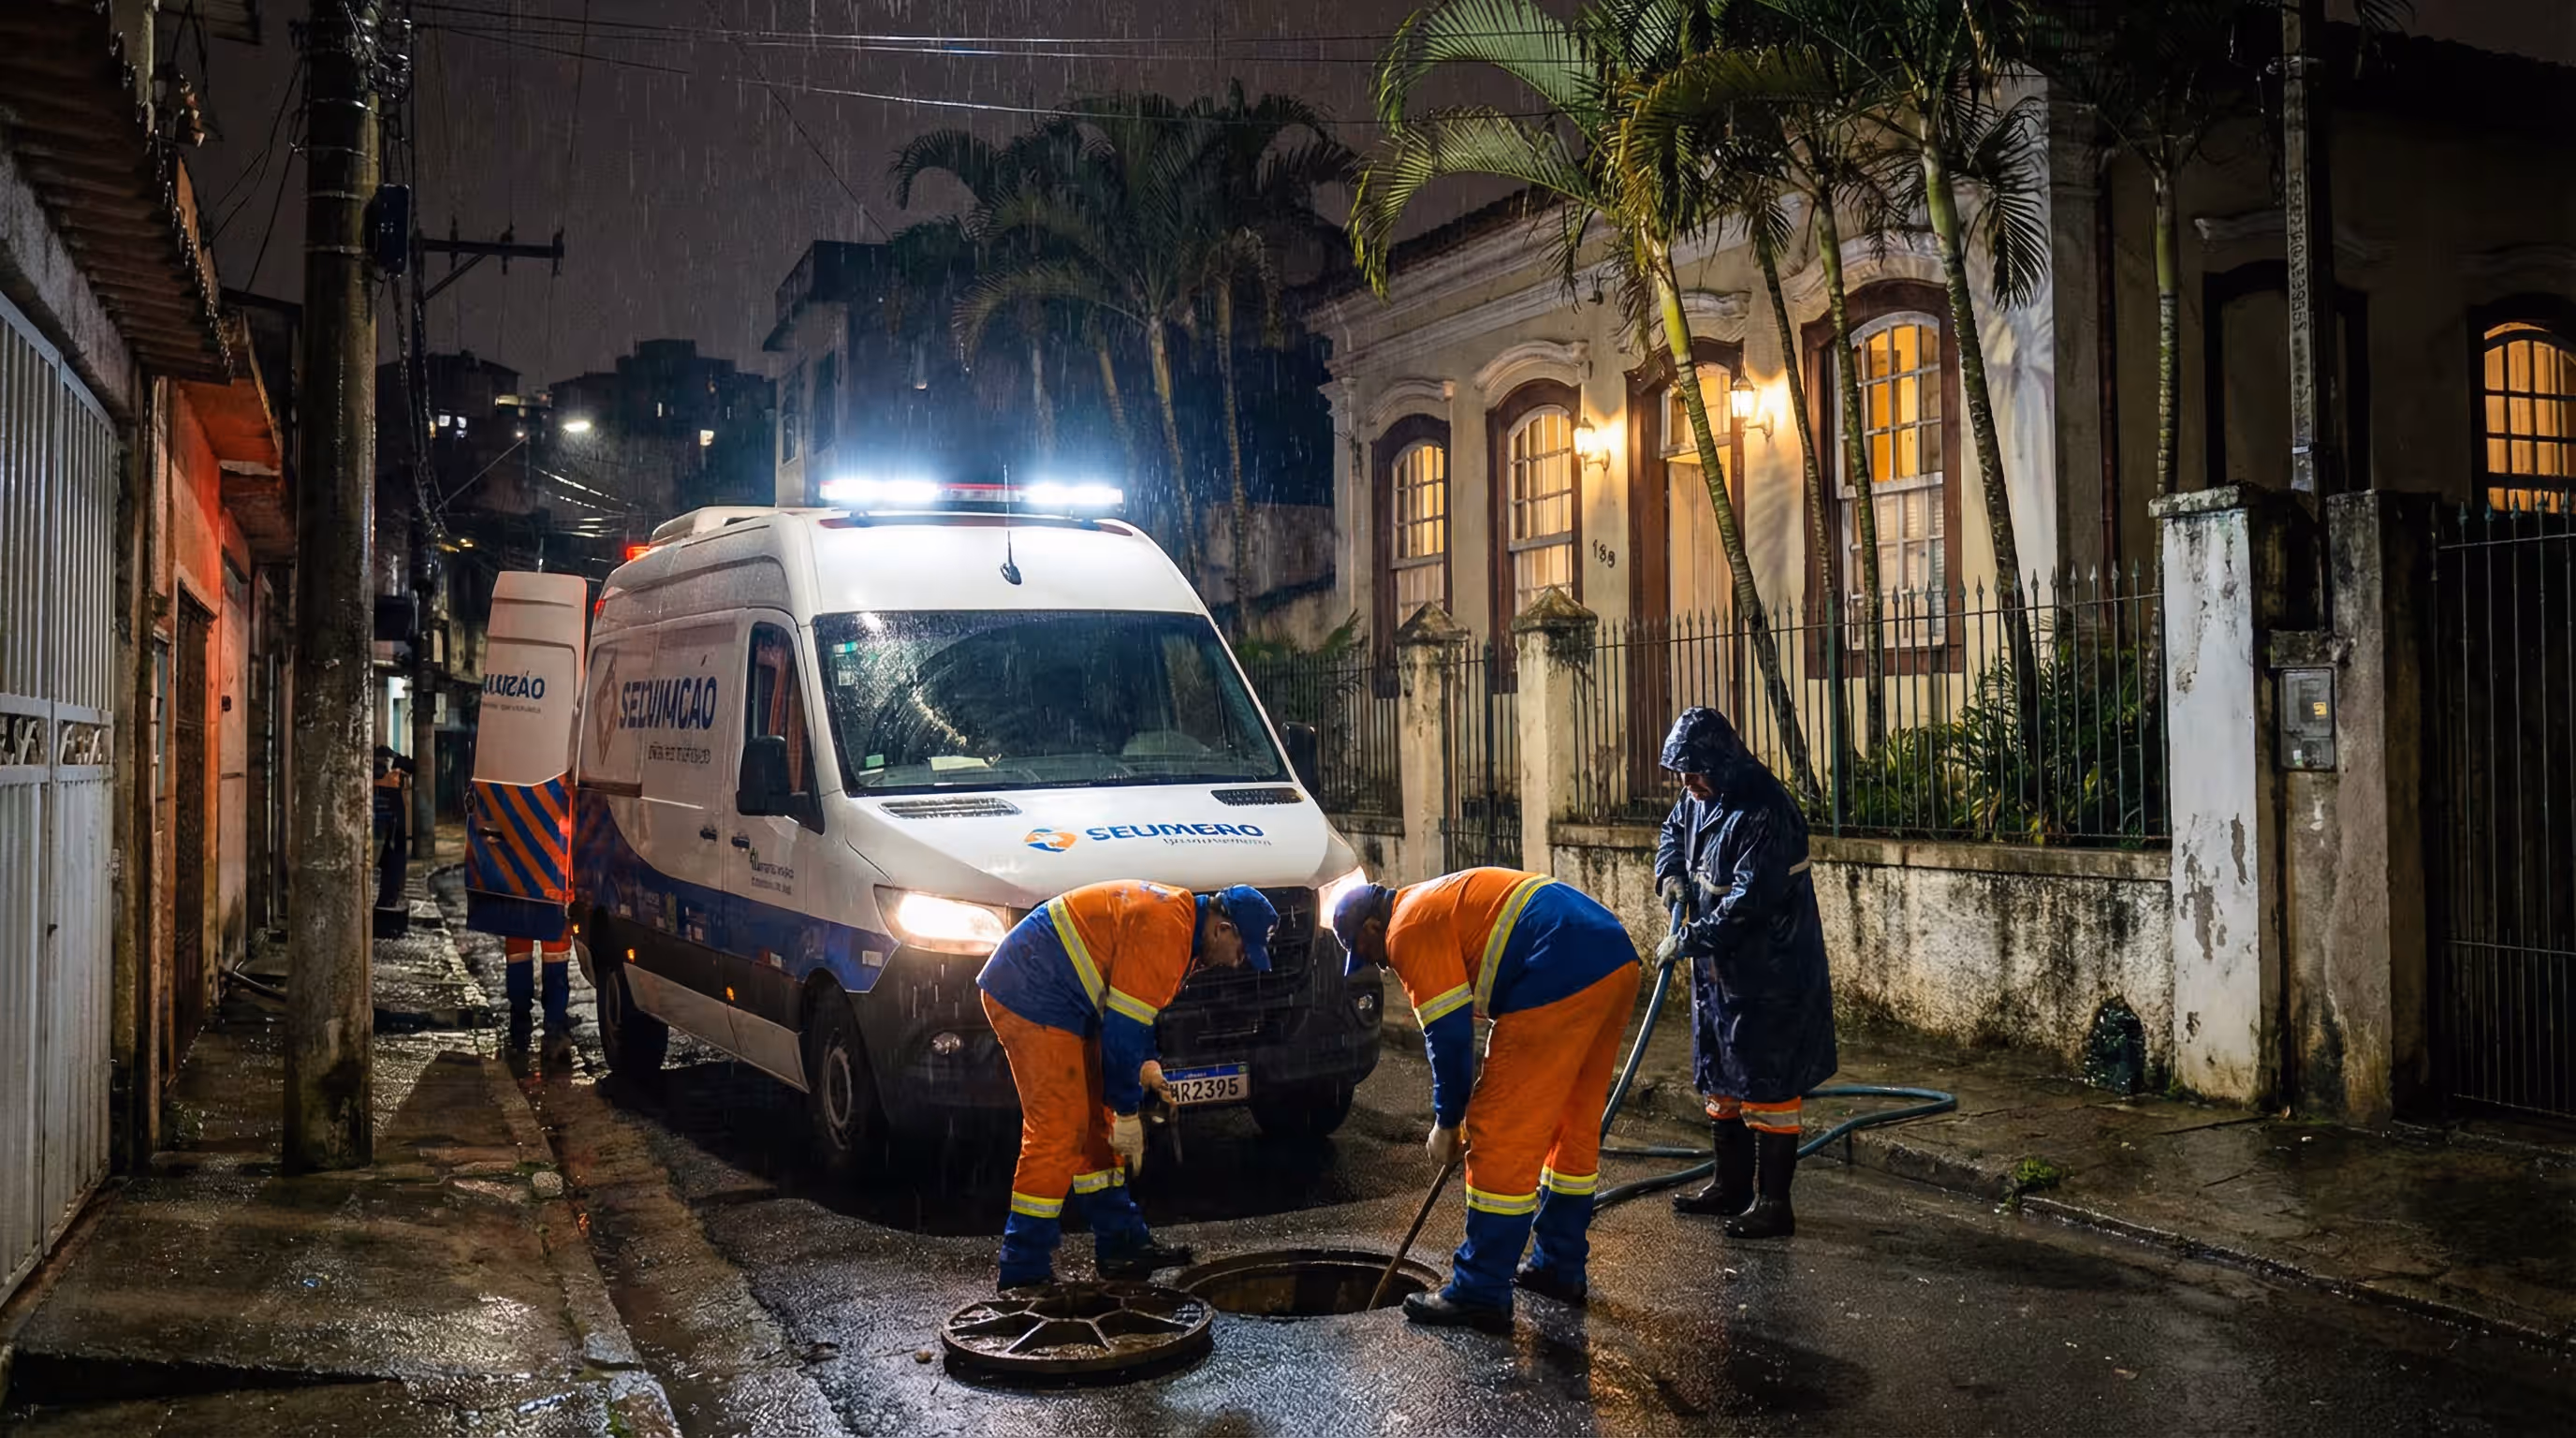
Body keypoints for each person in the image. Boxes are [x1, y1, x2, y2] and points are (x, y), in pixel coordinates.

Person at [1332, 868, 1642, 1333]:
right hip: (1613, 958)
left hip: (1558, 966)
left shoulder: (1407, 929)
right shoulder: (1431, 899)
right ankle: (1559, 1267)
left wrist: (1449, 1120)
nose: (1379, 965)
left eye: (1369, 953)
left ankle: (1480, 1290)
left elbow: (1450, 1036)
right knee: (1569, 1126)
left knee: (1498, 1129)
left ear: (1374, 928)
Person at [975, 880, 1279, 1289]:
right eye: (1242, 952)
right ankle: (1022, 1267)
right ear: (1222, 929)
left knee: (1095, 1129)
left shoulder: (1183, 928)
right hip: (1031, 992)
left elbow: (1136, 1014)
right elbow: (1119, 1034)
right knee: (1059, 1129)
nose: (1238, 963)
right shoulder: (1168, 928)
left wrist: (1149, 1068)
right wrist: (1126, 1111)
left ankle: (1120, 1245)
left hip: (1058, 992)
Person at [1654, 707, 1837, 1239]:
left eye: (1694, 771)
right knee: (1720, 1075)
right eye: (1681, 774)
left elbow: (1749, 902)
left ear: (1722, 761)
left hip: (1769, 970)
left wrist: (1688, 938)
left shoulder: (1766, 810)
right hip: (1719, 972)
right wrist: (1669, 872)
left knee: (1768, 1083)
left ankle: (1773, 1203)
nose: (1687, 784)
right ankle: (1729, 1185)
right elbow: (1673, 829)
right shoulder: (1700, 797)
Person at [373, 746, 413, 913]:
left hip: (391, 838)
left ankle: (389, 899)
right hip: (389, 837)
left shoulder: (391, 787)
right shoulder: (388, 787)